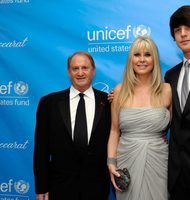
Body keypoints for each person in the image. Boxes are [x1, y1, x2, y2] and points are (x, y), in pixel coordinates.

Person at [33, 51, 111, 200]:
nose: (80, 73)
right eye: (75, 68)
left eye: (85, 68)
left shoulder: (108, 102)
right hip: (60, 187)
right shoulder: (49, 103)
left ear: (93, 71)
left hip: (97, 188)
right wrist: (41, 187)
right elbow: (40, 149)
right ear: (69, 71)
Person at [107, 36, 172, 200]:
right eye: (137, 55)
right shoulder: (119, 91)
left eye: (147, 55)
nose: (142, 60)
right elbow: (114, 131)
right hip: (127, 160)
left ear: (154, 59)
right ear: (131, 59)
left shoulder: (167, 90)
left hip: (159, 160)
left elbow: (177, 127)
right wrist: (111, 162)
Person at [164, 5, 190, 200]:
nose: (183, 34)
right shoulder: (171, 75)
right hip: (177, 174)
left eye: (189, 28)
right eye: (177, 30)